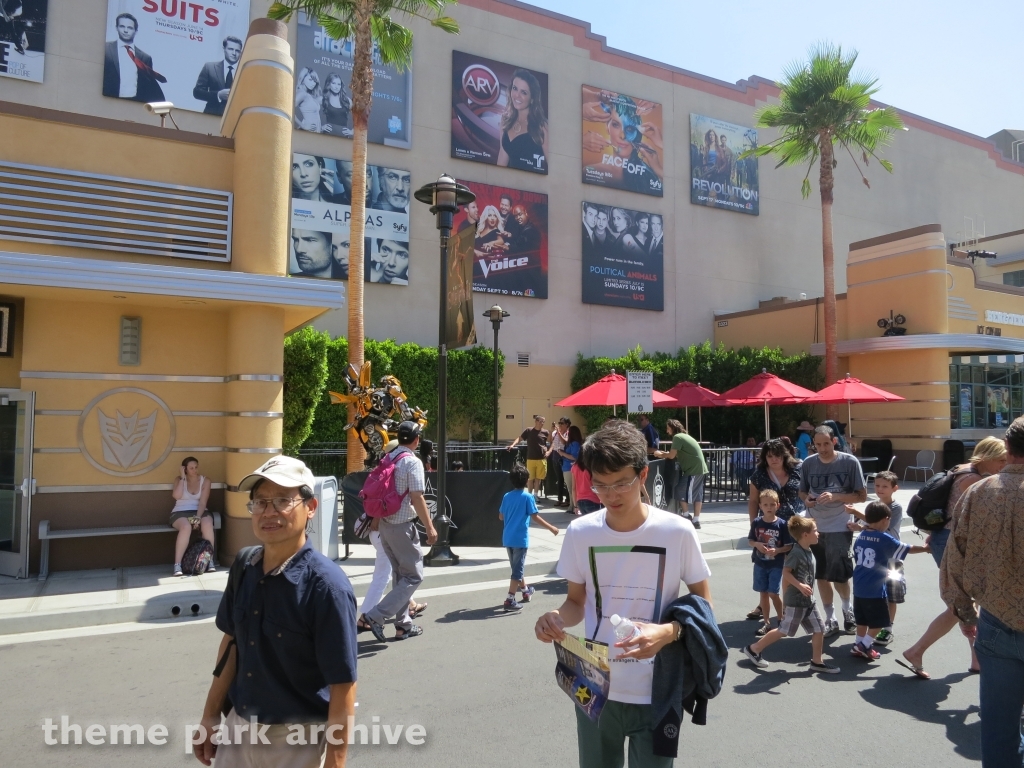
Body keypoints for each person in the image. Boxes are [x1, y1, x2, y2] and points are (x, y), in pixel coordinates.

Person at [535, 421, 712, 767]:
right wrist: (555, 619)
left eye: (622, 484)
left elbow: (703, 605)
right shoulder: (581, 532)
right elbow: (575, 601)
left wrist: (667, 632)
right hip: (595, 686)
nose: (611, 495)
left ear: (643, 475)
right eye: (600, 485)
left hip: (658, 688)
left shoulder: (677, 531)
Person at [194, 456, 357, 767]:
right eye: (260, 502)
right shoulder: (244, 565)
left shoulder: (327, 587)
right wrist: (210, 715)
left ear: (311, 507)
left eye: (283, 500)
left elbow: (343, 683)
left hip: (294, 739)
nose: (269, 512)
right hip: (239, 727)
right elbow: (232, 644)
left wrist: (335, 762)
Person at [941, 419, 1024, 767]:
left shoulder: (981, 491)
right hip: (996, 621)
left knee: (999, 729)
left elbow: (953, 559)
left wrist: (965, 612)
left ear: (1007, 449)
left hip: (996, 622)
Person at [902, 436, 1006, 679]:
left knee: (966, 603)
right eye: (1000, 460)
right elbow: (973, 521)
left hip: (947, 540)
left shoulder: (965, 471)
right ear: (987, 457)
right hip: (954, 544)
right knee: (960, 605)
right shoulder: (973, 480)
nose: (1003, 464)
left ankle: (976, 659)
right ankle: (916, 650)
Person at [360, 422, 439, 642]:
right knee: (414, 575)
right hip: (402, 526)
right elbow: (417, 497)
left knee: (400, 575)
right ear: (416, 440)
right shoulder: (412, 462)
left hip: (385, 524)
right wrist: (430, 527)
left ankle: (403, 625)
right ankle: (375, 616)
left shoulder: (390, 456)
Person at [742, 515, 840, 675]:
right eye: (815, 531)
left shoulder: (808, 550)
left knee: (819, 629)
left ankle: (817, 661)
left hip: (809, 601)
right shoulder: (796, 553)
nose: (818, 533)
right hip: (796, 601)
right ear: (805, 534)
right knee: (783, 630)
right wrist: (800, 586)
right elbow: (786, 573)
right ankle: (754, 649)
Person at [798, 425, 867, 635]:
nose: (822, 448)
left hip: (840, 525)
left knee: (840, 575)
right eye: (817, 445)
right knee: (821, 575)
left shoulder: (849, 462)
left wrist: (836, 496)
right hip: (815, 526)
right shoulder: (809, 463)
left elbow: (861, 496)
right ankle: (830, 618)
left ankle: (848, 610)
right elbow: (802, 492)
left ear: (834, 441)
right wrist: (807, 500)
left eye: (826, 444)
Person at [849, 501, 929, 661]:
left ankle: (858, 643)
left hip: (858, 585)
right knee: (879, 622)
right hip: (874, 589)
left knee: (862, 618)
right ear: (885, 519)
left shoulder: (861, 536)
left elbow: (857, 557)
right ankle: (864, 644)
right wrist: (925, 548)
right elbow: (907, 549)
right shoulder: (884, 538)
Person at [744, 438, 805, 622]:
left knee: (789, 568)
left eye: (777, 455)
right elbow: (754, 501)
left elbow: (806, 493)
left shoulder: (797, 470)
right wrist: (754, 524)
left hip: (794, 526)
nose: (774, 459)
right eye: (769, 456)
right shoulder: (759, 474)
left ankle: (786, 607)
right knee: (767, 565)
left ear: (784, 455)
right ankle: (765, 606)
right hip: (769, 527)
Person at [845, 471, 903, 645]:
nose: (880, 489)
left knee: (892, 594)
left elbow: (881, 528)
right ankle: (873, 626)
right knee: (877, 593)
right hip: (874, 560)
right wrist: (858, 526)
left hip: (891, 557)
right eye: (877, 486)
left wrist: (859, 515)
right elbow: (869, 527)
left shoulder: (895, 508)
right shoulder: (875, 505)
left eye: (884, 486)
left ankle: (887, 628)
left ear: (894, 489)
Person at [500, 463, 560, 611]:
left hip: (507, 537)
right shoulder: (527, 497)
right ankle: (510, 599)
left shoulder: (507, 496)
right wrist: (551, 528)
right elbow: (535, 517)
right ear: (527, 480)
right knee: (517, 570)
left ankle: (526, 591)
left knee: (516, 567)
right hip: (520, 539)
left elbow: (501, 516)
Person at [581, 90, 663, 195]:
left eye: (629, 129)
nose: (622, 136)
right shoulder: (591, 171)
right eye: (615, 125)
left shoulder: (651, 177)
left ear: (638, 132)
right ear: (607, 127)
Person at [748, 489, 792, 637]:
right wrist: (757, 545)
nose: (769, 507)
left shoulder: (782, 524)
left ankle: (781, 619)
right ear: (760, 506)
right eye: (765, 504)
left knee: (773, 592)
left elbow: (788, 545)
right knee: (764, 593)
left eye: (772, 504)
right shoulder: (756, 522)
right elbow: (751, 540)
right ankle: (766, 622)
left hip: (776, 564)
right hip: (760, 563)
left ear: (777, 506)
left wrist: (778, 550)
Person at [654, 419, 707, 529]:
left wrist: (659, 454)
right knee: (697, 495)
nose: (667, 430)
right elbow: (673, 454)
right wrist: (664, 454)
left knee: (679, 490)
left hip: (693, 469)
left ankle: (686, 515)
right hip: (699, 468)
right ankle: (696, 520)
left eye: (668, 428)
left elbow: (672, 456)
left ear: (672, 427)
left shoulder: (677, 437)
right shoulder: (684, 436)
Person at [102, 12, 166, 102]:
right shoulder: (106, 49)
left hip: (134, 104)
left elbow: (147, 86)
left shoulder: (145, 57)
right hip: (108, 100)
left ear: (136, 31)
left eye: (130, 28)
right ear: (116, 28)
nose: (125, 30)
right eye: (122, 26)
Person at [497, 68, 548, 173]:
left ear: (532, 98)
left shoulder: (542, 126)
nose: (517, 95)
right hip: (508, 186)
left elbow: (555, 167)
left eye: (524, 92)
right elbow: (503, 155)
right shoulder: (505, 120)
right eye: (515, 88)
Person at [170, 457, 214, 577]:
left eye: (196, 467)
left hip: (199, 510)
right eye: (191, 468)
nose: (194, 470)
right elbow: (177, 496)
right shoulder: (179, 480)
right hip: (180, 511)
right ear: (185, 469)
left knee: (207, 524)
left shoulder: (205, 481)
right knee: (186, 527)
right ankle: (177, 565)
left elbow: (203, 502)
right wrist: (183, 478)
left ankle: (209, 560)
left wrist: (198, 517)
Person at [192, 36, 242, 116]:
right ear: (224, 49)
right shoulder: (210, 67)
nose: (234, 53)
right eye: (230, 49)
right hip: (211, 115)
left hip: (234, 117)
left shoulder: (244, 71)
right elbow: (197, 92)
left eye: (237, 51)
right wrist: (218, 95)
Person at [508, 415, 550, 498]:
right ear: (536, 421)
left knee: (538, 478)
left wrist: (549, 451)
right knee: (530, 478)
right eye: (541, 421)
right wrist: (512, 445)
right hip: (531, 458)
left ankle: (535, 495)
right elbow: (519, 438)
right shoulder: (529, 430)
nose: (542, 423)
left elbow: (552, 442)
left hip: (541, 458)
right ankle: (530, 495)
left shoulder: (546, 432)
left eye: (543, 422)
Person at [558, 425, 583, 513]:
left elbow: (574, 457)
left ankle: (574, 507)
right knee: (571, 489)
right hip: (567, 467)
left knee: (572, 488)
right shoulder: (572, 443)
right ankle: (572, 506)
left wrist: (562, 453)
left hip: (570, 468)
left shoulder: (575, 443)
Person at [547, 417, 570, 507]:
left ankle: (568, 499)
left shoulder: (568, 433)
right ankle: (560, 499)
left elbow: (564, 442)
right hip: (555, 458)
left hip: (564, 458)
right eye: (559, 423)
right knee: (559, 480)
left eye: (562, 423)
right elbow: (550, 441)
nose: (560, 425)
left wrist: (559, 432)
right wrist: (551, 431)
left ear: (567, 425)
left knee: (567, 480)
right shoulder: (556, 433)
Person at [321, 73, 353, 137]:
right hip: (328, 136)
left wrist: (352, 131)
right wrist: (320, 127)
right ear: (329, 84)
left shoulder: (347, 101)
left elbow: (360, 118)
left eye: (339, 84)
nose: (336, 87)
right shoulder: (324, 99)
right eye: (333, 83)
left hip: (343, 137)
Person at [294, 67, 323, 132]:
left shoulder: (308, 95)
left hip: (315, 133)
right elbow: (289, 109)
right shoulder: (302, 94)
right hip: (308, 132)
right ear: (302, 79)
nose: (313, 83)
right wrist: (303, 126)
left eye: (315, 81)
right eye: (310, 80)